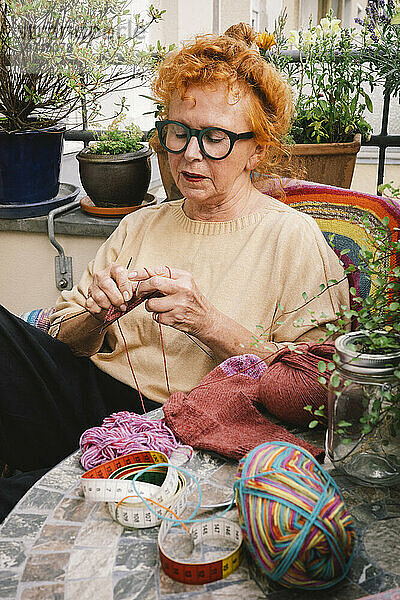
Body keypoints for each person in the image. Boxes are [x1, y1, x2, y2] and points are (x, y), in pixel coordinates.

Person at [0, 24, 349, 519]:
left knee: (16, 506)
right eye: (180, 132)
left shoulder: (293, 241)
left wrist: (207, 321)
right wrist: (96, 317)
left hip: (191, 425)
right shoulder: (140, 224)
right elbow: (68, 342)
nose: (189, 154)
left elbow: (318, 389)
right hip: (89, 394)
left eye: (216, 139)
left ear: (259, 150)